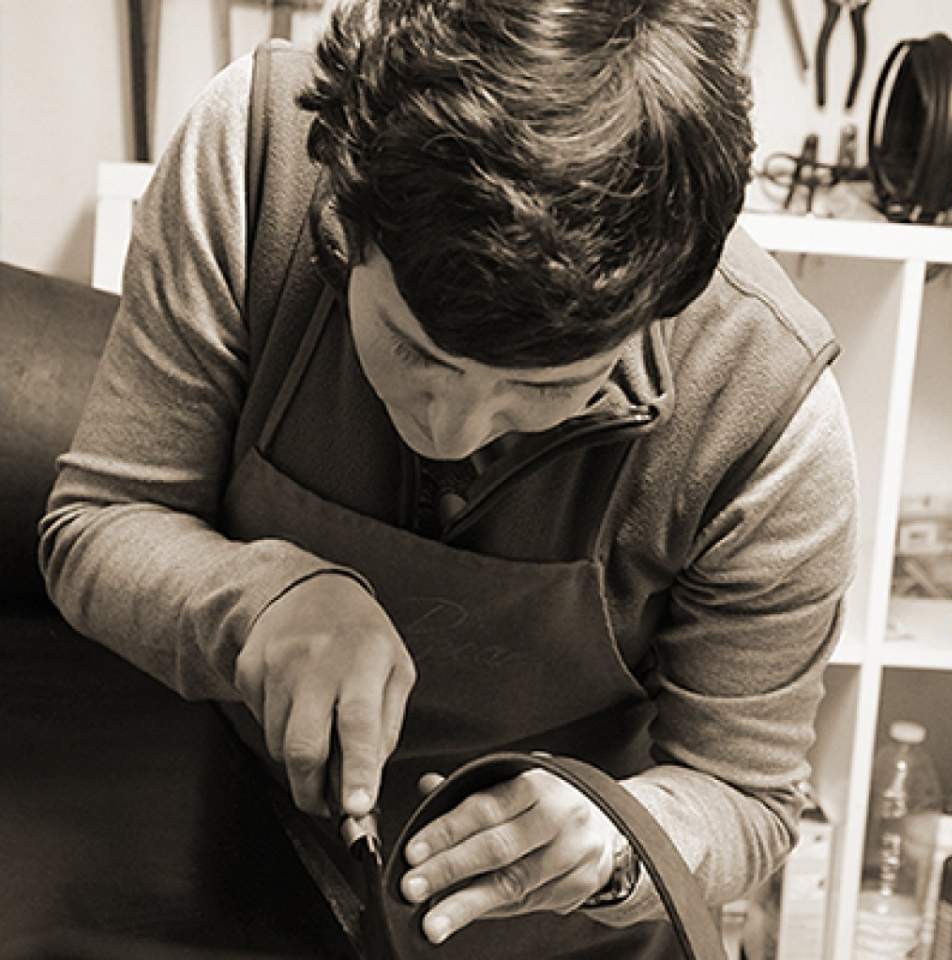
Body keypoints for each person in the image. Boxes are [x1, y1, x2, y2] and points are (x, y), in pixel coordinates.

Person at [39, 0, 858, 957]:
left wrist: (617, 840)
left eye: (545, 388)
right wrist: (258, 601)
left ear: (661, 309)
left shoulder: (768, 411)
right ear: (344, 211)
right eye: (413, 349)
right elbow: (101, 520)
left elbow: (746, 794)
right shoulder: (255, 158)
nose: (448, 428)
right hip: (227, 874)